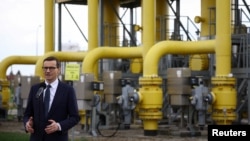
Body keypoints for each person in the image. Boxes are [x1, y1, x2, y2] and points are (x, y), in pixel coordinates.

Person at [23, 56, 80, 141]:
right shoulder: (35, 89)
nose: (48, 71)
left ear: (58, 70)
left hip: (57, 138)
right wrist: (27, 123)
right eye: (45, 68)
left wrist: (59, 126)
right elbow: (27, 114)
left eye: (51, 68)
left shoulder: (68, 90)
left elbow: (75, 117)